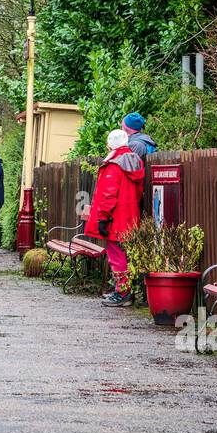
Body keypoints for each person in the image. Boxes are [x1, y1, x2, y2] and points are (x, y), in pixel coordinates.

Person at [85, 128, 145, 307]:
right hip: (130, 216)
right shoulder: (135, 161)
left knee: (117, 256)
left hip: (115, 218)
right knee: (125, 255)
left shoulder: (114, 164)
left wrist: (103, 218)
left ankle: (123, 292)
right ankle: (124, 290)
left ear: (110, 144)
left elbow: (108, 194)